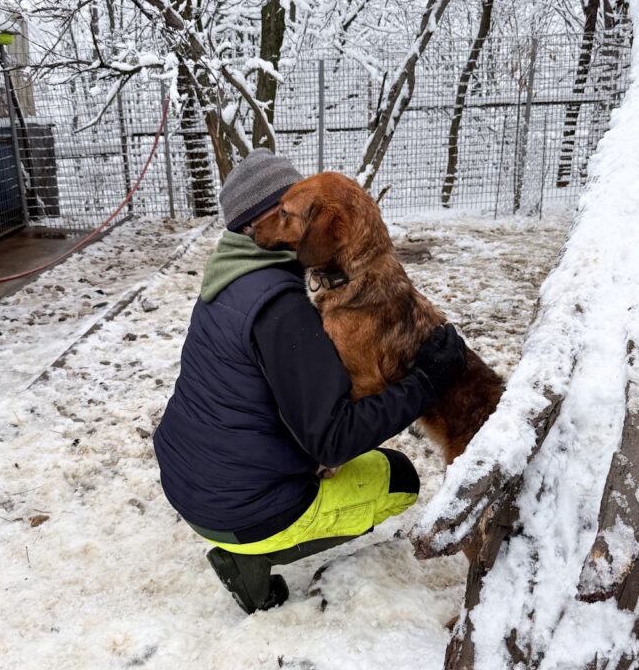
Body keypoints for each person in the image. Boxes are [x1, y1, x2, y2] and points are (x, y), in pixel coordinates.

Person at [153, 149, 467, 614]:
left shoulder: (224, 279)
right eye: (293, 208)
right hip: (239, 511)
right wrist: (426, 381)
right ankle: (252, 561)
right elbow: (333, 442)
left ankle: (249, 535)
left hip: (188, 481)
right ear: (263, 222)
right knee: (399, 480)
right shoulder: (284, 309)